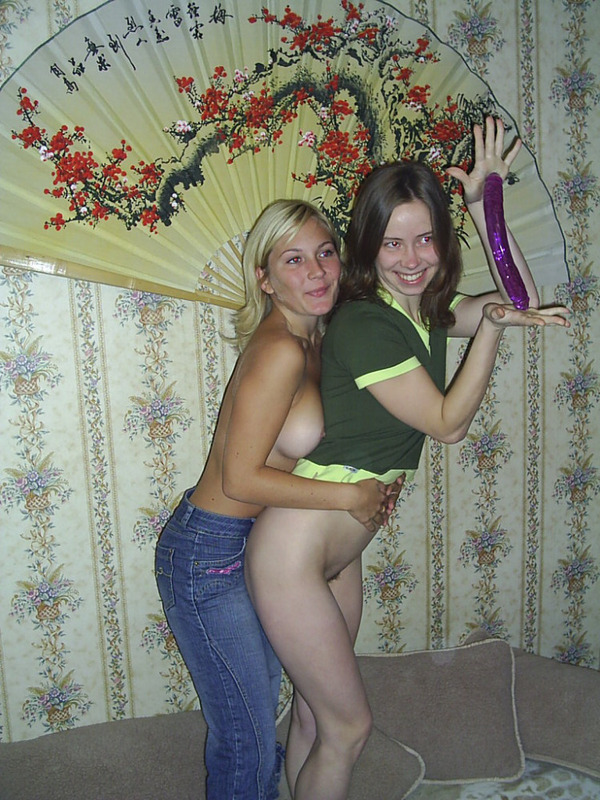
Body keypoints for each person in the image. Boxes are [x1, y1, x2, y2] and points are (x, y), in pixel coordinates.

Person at [244, 117, 570, 800]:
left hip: (338, 551)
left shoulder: (423, 314)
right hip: (292, 552)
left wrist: (485, 205)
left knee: (314, 716)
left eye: (425, 238)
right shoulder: (367, 322)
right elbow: (448, 424)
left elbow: (522, 298)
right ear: (368, 246)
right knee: (349, 728)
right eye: (392, 242)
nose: (412, 257)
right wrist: (494, 332)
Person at [154, 199, 403, 800]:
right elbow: (241, 479)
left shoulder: (321, 340)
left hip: (266, 544)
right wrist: (348, 495)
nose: (316, 272)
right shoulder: (281, 350)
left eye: (325, 253)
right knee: (248, 735)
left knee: (289, 712)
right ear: (264, 279)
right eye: (293, 260)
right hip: (210, 553)